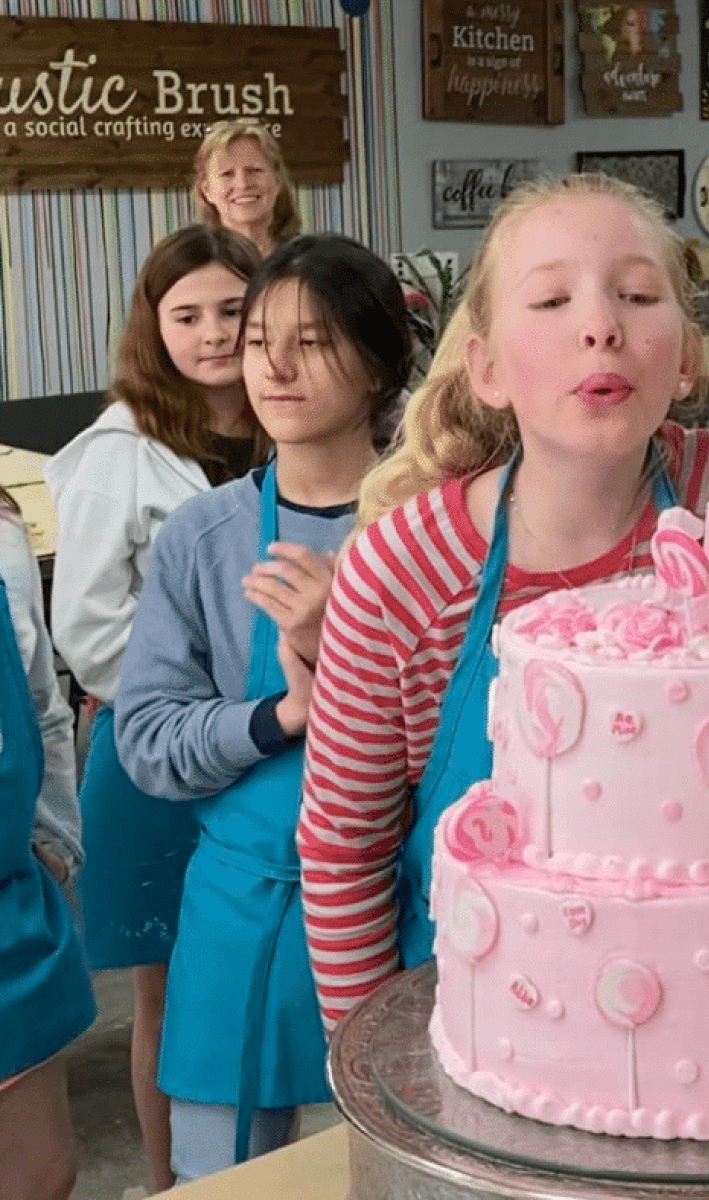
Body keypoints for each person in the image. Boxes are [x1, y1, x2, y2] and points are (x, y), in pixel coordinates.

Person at [296, 172, 709, 1033]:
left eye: (639, 294)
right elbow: (343, 852)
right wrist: (376, 1070)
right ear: (488, 370)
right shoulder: (402, 571)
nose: (601, 325)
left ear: (685, 356)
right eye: (550, 300)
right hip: (482, 1029)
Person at [114, 233, 412, 1182]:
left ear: (378, 366)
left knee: (391, 1165)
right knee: (223, 1173)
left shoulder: (435, 528)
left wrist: (347, 651)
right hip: (237, 914)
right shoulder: (205, 534)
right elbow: (147, 740)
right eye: (258, 338)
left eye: (315, 341)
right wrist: (279, 715)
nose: (274, 366)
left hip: (397, 913)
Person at [44, 224, 265, 1192]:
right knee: (169, 991)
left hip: (280, 743)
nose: (213, 333)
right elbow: (88, 629)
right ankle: (176, 1182)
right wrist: (220, 694)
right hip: (157, 751)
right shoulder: (117, 450)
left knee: (280, 974)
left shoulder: (299, 420)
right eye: (187, 315)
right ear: (154, 326)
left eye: (233, 309)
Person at [0, 485, 96, 1200]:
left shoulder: (3, 536)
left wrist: (54, 835)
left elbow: (40, 704)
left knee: (39, 1170)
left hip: (11, 913)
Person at [192, 119, 301, 256]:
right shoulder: (192, 265)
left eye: (255, 170)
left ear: (277, 181)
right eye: (227, 174)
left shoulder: (309, 261)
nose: (243, 184)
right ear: (207, 190)